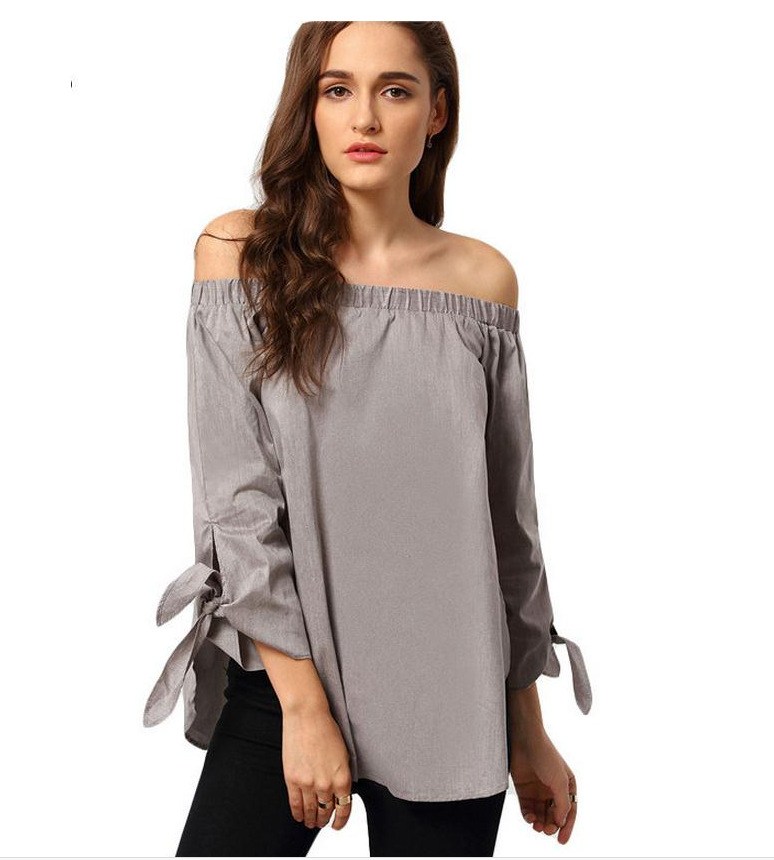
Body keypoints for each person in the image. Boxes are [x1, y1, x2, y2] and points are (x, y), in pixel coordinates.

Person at [143, 20, 592, 857]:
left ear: (436, 112)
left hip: (453, 696)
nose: (365, 118)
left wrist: (527, 723)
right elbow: (238, 504)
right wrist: (302, 707)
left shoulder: (482, 282)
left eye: (395, 90)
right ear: (309, 108)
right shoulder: (239, 254)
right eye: (337, 89)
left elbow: (507, 528)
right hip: (285, 679)